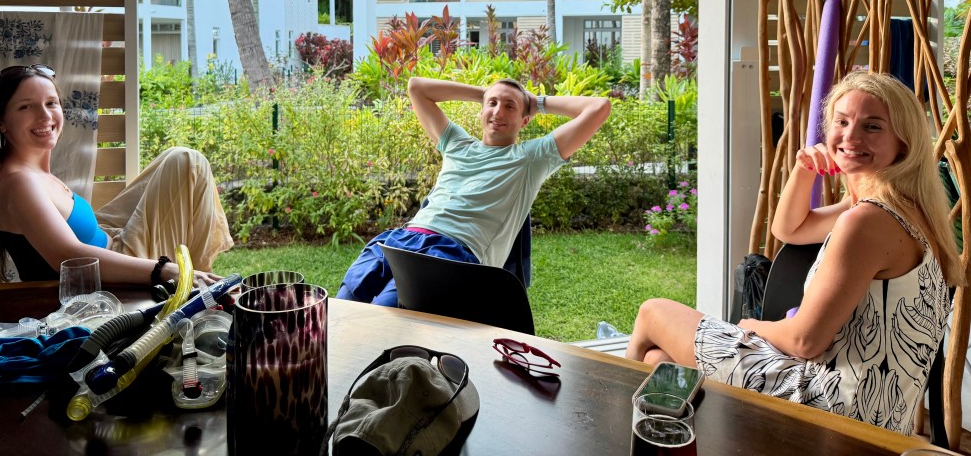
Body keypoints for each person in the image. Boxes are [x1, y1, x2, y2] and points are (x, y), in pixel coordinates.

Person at [626, 72, 964, 435]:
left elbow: (805, 341)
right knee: (659, 361)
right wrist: (805, 169)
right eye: (842, 122)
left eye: (872, 126)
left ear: (904, 142)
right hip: (877, 418)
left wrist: (750, 326)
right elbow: (789, 229)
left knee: (653, 313)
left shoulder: (867, 221)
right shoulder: (907, 209)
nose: (851, 136)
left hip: (830, 410)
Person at [336, 76, 611, 307]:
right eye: (492, 104)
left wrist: (536, 102)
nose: (498, 112)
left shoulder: (531, 158)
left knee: (382, 320)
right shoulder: (457, 143)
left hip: (450, 256)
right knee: (339, 312)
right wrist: (484, 93)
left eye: (510, 106)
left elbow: (599, 107)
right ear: (481, 111)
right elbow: (416, 87)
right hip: (399, 239)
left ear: (525, 120)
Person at [0, 64, 234, 287]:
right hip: (105, 280)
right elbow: (67, 256)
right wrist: (164, 269)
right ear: (1, 122)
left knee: (171, 161)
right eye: (26, 107)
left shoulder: (30, 173)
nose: (45, 115)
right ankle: (198, 280)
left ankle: (199, 280)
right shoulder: (19, 182)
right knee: (186, 161)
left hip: (109, 237)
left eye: (51, 103)